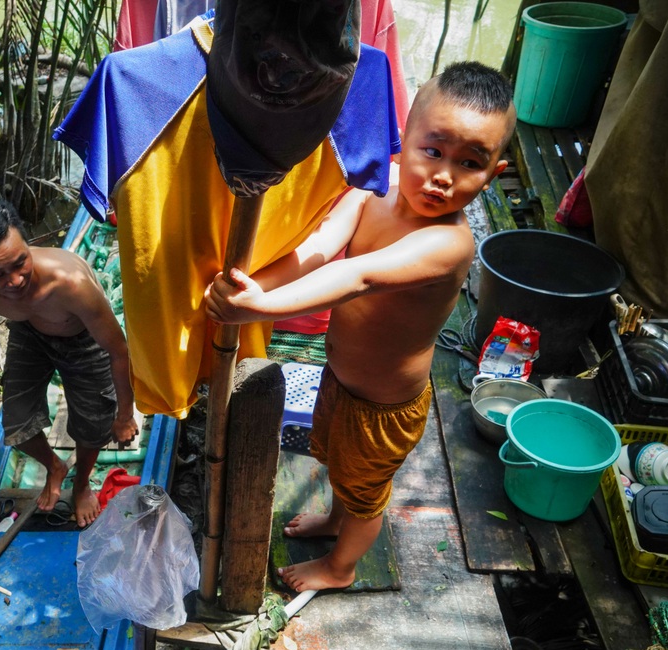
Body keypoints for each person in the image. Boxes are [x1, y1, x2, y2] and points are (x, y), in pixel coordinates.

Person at [205, 61, 516, 591]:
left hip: (385, 407)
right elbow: (322, 247)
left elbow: (359, 274)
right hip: (340, 378)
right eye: (433, 151)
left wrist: (258, 309)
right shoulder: (376, 185)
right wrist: (251, 284)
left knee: (365, 494)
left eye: (470, 163)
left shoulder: (449, 243)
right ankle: (333, 520)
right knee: (335, 463)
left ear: (495, 173)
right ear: (405, 133)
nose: (443, 175)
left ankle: (340, 568)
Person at [0, 194, 138, 527]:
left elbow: (119, 351)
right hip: (30, 333)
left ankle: (82, 483)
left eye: (19, 262)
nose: (14, 281)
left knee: (95, 423)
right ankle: (55, 466)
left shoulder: (70, 284)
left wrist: (125, 414)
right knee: (16, 422)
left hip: (82, 338)